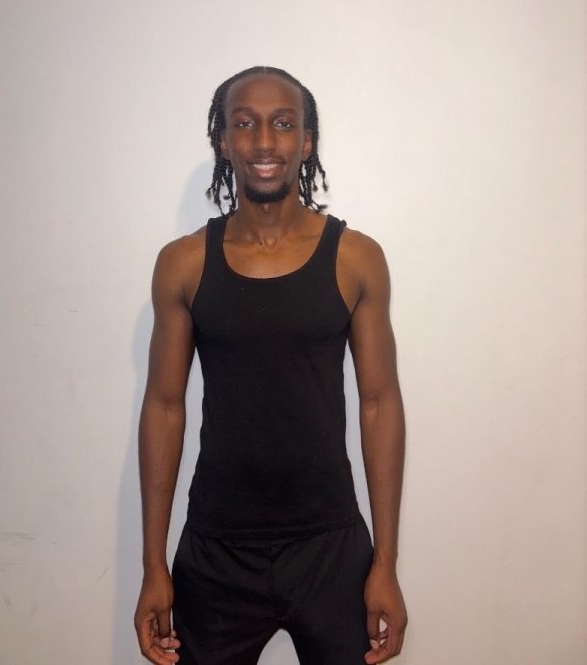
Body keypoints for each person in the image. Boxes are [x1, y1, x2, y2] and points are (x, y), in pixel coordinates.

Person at [134, 67, 407, 665]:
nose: (264, 141)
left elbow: (379, 404)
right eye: (245, 124)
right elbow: (165, 406)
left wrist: (385, 563)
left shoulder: (356, 259)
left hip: (330, 546)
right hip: (216, 550)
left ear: (307, 141)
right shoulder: (183, 264)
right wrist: (153, 565)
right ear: (223, 141)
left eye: (283, 124)